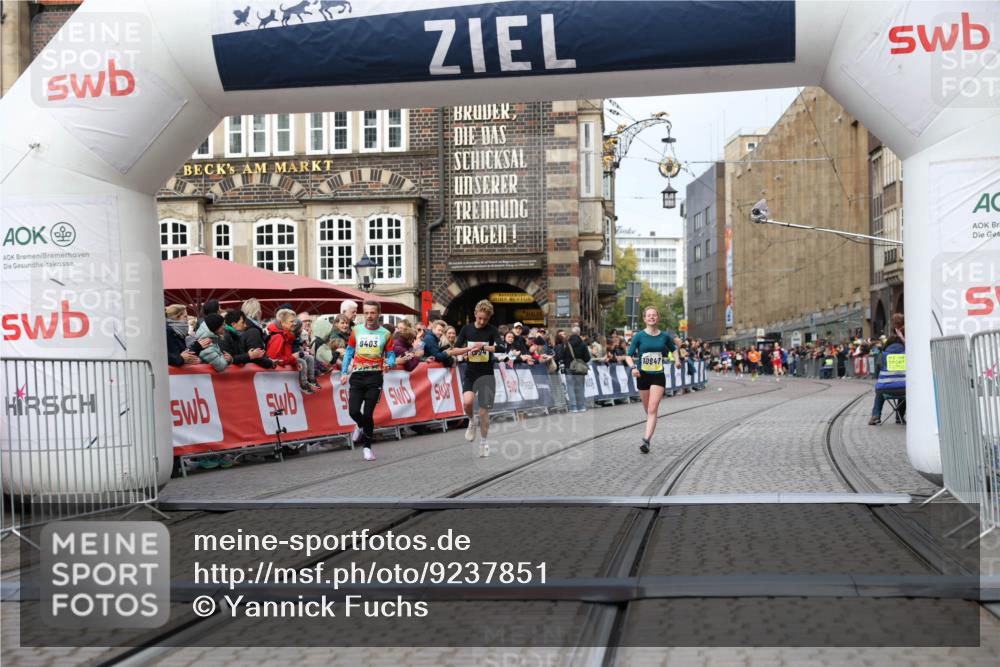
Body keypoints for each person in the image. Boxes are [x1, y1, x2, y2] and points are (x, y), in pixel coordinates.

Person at [340, 300, 395, 461]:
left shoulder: (385, 334)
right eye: (367, 313)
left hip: (375, 377)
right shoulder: (356, 330)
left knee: (369, 413)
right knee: (354, 411)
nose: (369, 316)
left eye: (372, 313)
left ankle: (367, 447)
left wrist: (388, 364)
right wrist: (344, 372)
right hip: (357, 376)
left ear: (378, 313)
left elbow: (391, 355)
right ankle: (360, 425)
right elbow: (349, 352)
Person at [624, 306, 680, 453]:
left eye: (654, 315)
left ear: (658, 318)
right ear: (644, 319)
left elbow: (673, 349)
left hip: (658, 375)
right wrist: (633, 368)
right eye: (649, 316)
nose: (651, 318)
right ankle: (651, 423)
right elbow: (628, 356)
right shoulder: (639, 336)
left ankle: (646, 440)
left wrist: (677, 361)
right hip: (643, 375)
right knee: (648, 410)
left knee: (652, 408)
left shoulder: (664, 336)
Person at [452, 299, 501, 457]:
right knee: (467, 402)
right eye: (479, 318)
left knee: (484, 412)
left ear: (489, 318)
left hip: (487, 374)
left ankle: (484, 442)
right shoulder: (467, 329)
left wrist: (484, 347)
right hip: (471, 373)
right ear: (475, 314)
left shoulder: (492, 330)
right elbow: (455, 350)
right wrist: (468, 349)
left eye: (485, 319)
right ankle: (471, 421)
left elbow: (502, 346)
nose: (481, 322)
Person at [870, 314, 906, 425]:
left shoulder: (883, 354)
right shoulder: (907, 352)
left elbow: (878, 368)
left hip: (885, 388)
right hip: (904, 388)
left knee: (879, 392)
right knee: (904, 391)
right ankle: (899, 416)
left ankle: (876, 415)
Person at [561, 326, 591, 413]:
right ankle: (581, 406)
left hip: (569, 367)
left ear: (572, 333)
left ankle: (573, 407)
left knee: (570, 387)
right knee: (580, 387)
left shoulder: (567, 343)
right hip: (579, 369)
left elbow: (562, 355)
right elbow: (587, 358)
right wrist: (580, 361)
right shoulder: (583, 344)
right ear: (579, 333)